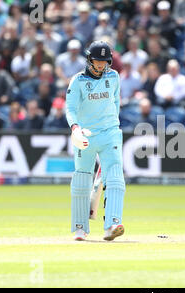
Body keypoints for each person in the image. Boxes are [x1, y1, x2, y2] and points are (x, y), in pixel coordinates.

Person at [65, 41, 125, 241]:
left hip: (110, 133)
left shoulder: (114, 77)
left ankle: (113, 224)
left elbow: (116, 102)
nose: (100, 65)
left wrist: (113, 125)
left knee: (115, 176)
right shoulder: (78, 80)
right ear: (89, 59)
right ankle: (80, 228)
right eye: (97, 61)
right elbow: (70, 109)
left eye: (104, 61)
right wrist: (75, 129)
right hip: (86, 135)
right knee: (82, 179)